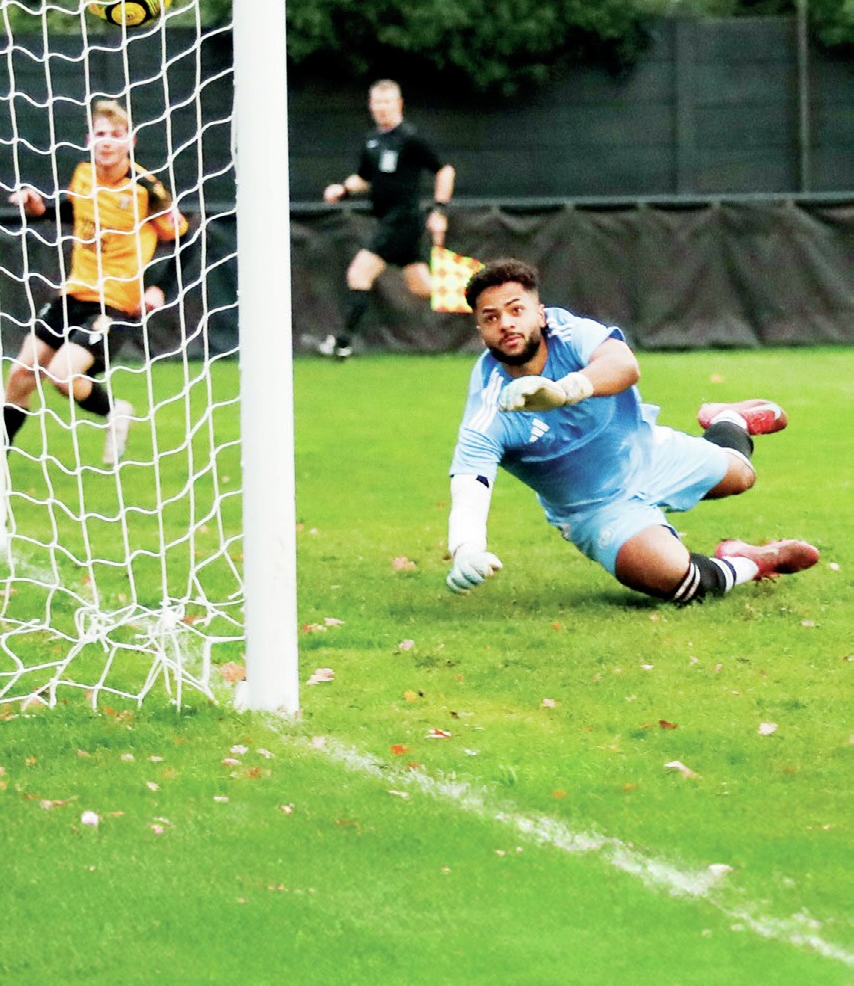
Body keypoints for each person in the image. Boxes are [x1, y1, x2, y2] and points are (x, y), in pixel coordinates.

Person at [446, 256, 820, 606]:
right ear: (481, 332)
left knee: (742, 475)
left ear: (540, 314)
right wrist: (466, 549)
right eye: (491, 318)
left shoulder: (568, 331)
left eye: (516, 310)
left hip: (647, 451)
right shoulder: (489, 407)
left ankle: (729, 421)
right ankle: (753, 561)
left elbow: (623, 365)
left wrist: (564, 391)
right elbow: (470, 487)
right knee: (669, 576)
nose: (506, 323)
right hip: (596, 509)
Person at [3, 97, 187, 465]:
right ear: (90, 139)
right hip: (74, 293)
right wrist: (41, 209)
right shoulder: (83, 175)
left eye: (116, 135)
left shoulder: (147, 190)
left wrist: (160, 287)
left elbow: (186, 239)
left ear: (130, 142)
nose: (107, 142)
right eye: (101, 134)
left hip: (115, 303)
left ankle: (115, 410)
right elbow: (78, 211)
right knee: (20, 375)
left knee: (61, 374)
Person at [318, 78, 455, 358]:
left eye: (387, 102)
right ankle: (478, 294)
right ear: (371, 105)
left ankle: (342, 343)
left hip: (403, 219)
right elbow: (365, 178)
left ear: (399, 104)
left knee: (359, 273)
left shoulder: (411, 138)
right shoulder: (373, 140)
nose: (382, 107)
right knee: (422, 286)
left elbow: (445, 171)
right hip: (388, 219)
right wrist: (342, 189)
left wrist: (440, 210)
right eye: (377, 102)